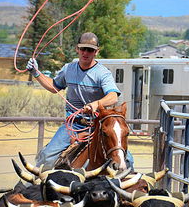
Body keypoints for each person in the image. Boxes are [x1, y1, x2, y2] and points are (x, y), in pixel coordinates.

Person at [26, 32, 134, 168]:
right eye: (83, 49)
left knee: (127, 160)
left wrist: (96, 104)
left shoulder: (102, 73)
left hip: (97, 127)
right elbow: (54, 87)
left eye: (90, 50)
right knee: (47, 157)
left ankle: (127, 186)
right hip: (72, 126)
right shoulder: (68, 69)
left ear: (96, 52)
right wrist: (36, 73)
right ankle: (40, 186)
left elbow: (113, 96)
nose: (85, 53)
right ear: (77, 49)